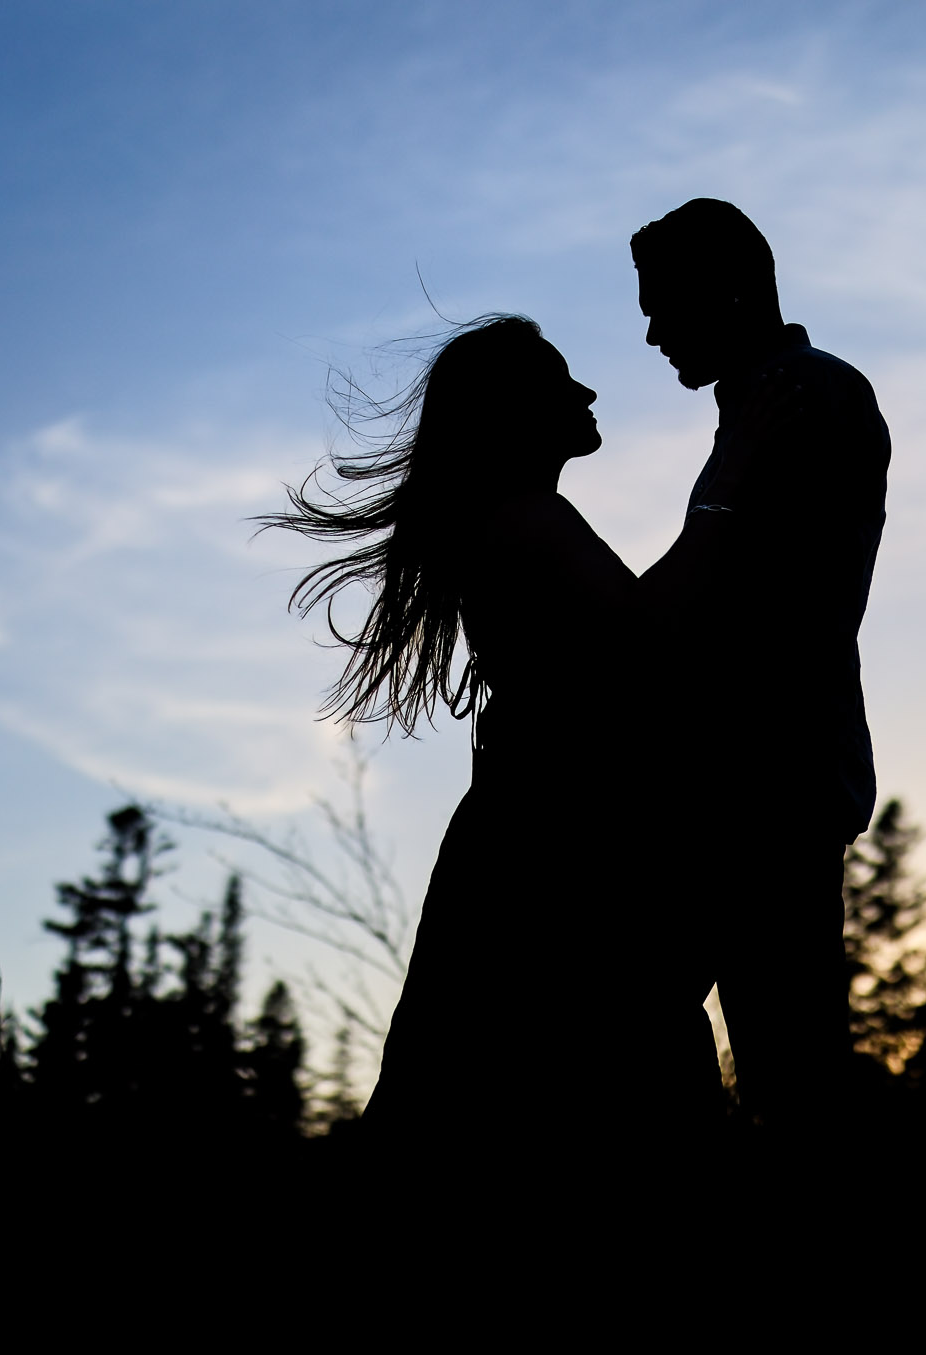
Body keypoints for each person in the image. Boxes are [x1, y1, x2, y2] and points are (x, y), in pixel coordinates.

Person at [266, 315, 724, 1165]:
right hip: (558, 861)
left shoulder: (509, 523)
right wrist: (727, 513)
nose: (586, 393)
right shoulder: (532, 521)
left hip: (521, 848)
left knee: (471, 1105)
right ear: (516, 410)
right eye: (561, 380)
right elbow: (655, 648)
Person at [633, 199, 891, 1140]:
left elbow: (768, 606)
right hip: (741, 784)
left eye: (664, 304)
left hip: (765, 785)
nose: (651, 330)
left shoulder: (810, 395)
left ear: (731, 290)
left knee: (790, 1076)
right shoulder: (759, 405)